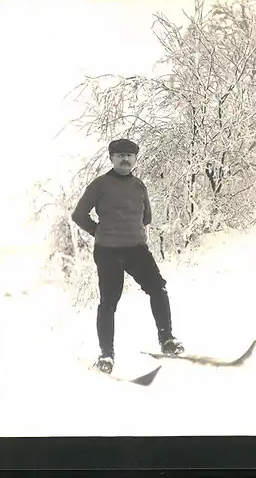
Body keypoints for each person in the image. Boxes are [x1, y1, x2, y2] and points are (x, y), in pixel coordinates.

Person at [71, 138, 184, 374]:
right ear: (111, 158)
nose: (125, 159)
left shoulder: (139, 185)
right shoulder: (99, 185)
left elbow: (147, 217)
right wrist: (98, 231)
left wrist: (133, 230)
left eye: (129, 155)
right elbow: (79, 214)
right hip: (108, 251)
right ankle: (107, 355)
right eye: (120, 155)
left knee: (158, 289)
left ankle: (167, 339)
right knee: (109, 302)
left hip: (136, 249)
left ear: (135, 159)